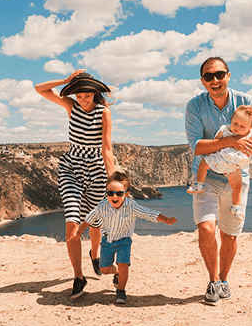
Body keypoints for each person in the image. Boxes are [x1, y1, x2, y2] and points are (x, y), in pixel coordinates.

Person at [185, 56, 252, 305]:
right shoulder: (195, 106)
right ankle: (212, 281)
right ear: (202, 81)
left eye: (219, 74)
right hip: (206, 174)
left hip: (236, 177)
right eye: (209, 76)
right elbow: (197, 147)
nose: (215, 80)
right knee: (206, 228)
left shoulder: (247, 102)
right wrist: (231, 142)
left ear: (228, 76)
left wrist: (225, 150)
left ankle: (223, 279)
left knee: (229, 235)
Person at [35, 69, 116, 300]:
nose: (82, 99)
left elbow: (107, 148)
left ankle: (94, 253)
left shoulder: (104, 113)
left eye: (86, 95)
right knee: (72, 222)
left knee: (94, 222)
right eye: (78, 95)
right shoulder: (70, 106)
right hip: (71, 168)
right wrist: (65, 80)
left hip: (97, 170)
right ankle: (78, 277)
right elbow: (39, 89)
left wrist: (112, 180)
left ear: (94, 92)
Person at [73, 171, 177, 304]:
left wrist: (166, 220)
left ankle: (121, 291)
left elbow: (148, 213)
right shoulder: (102, 206)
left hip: (124, 242)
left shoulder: (131, 206)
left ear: (126, 194)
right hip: (107, 242)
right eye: (110, 193)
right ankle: (116, 272)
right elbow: (89, 219)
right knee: (104, 269)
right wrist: (78, 232)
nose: (114, 196)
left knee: (123, 266)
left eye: (119, 193)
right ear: (106, 193)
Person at [187, 104, 252, 219]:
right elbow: (216, 141)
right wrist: (221, 143)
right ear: (231, 120)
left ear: (249, 127)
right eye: (235, 123)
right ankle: (198, 185)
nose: (237, 128)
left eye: (242, 126)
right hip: (220, 159)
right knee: (203, 164)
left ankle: (236, 207)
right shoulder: (225, 130)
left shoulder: (249, 135)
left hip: (233, 165)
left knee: (237, 186)